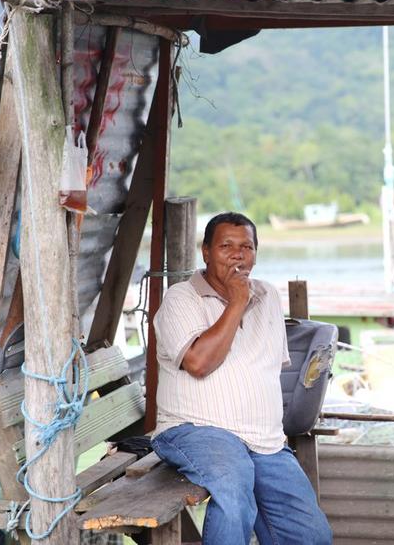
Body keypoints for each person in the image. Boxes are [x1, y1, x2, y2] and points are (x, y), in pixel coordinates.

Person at [151, 211, 332, 545]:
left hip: (265, 442)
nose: (237, 254)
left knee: (312, 534)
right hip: (195, 429)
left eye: (246, 247)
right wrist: (236, 302)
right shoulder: (181, 298)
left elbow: (267, 370)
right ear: (206, 252)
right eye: (226, 246)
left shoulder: (268, 297)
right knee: (233, 493)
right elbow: (199, 363)